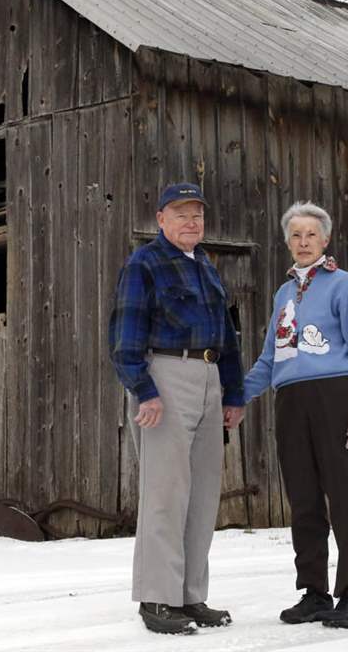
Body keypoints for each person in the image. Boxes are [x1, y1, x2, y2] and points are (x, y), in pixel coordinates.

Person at [108, 182, 245, 635]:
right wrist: (143, 390)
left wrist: (234, 394)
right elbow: (125, 335)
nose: (192, 222)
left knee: (203, 495)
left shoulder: (205, 266)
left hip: (208, 377)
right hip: (166, 378)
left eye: (198, 214)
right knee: (166, 493)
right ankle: (157, 599)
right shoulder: (144, 264)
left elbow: (227, 336)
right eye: (182, 213)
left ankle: (190, 596)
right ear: (161, 217)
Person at [242, 201, 348, 629]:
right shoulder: (284, 294)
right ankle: (314, 591)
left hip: (335, 396)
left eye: (310, 235)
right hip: (291, 401)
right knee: (303, 499)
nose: (303, 242)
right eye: (295, 235)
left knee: (346, 497)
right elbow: (269, 360)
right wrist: (234, 398)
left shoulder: (343, 284)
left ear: (325, 240)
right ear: (287, 242)